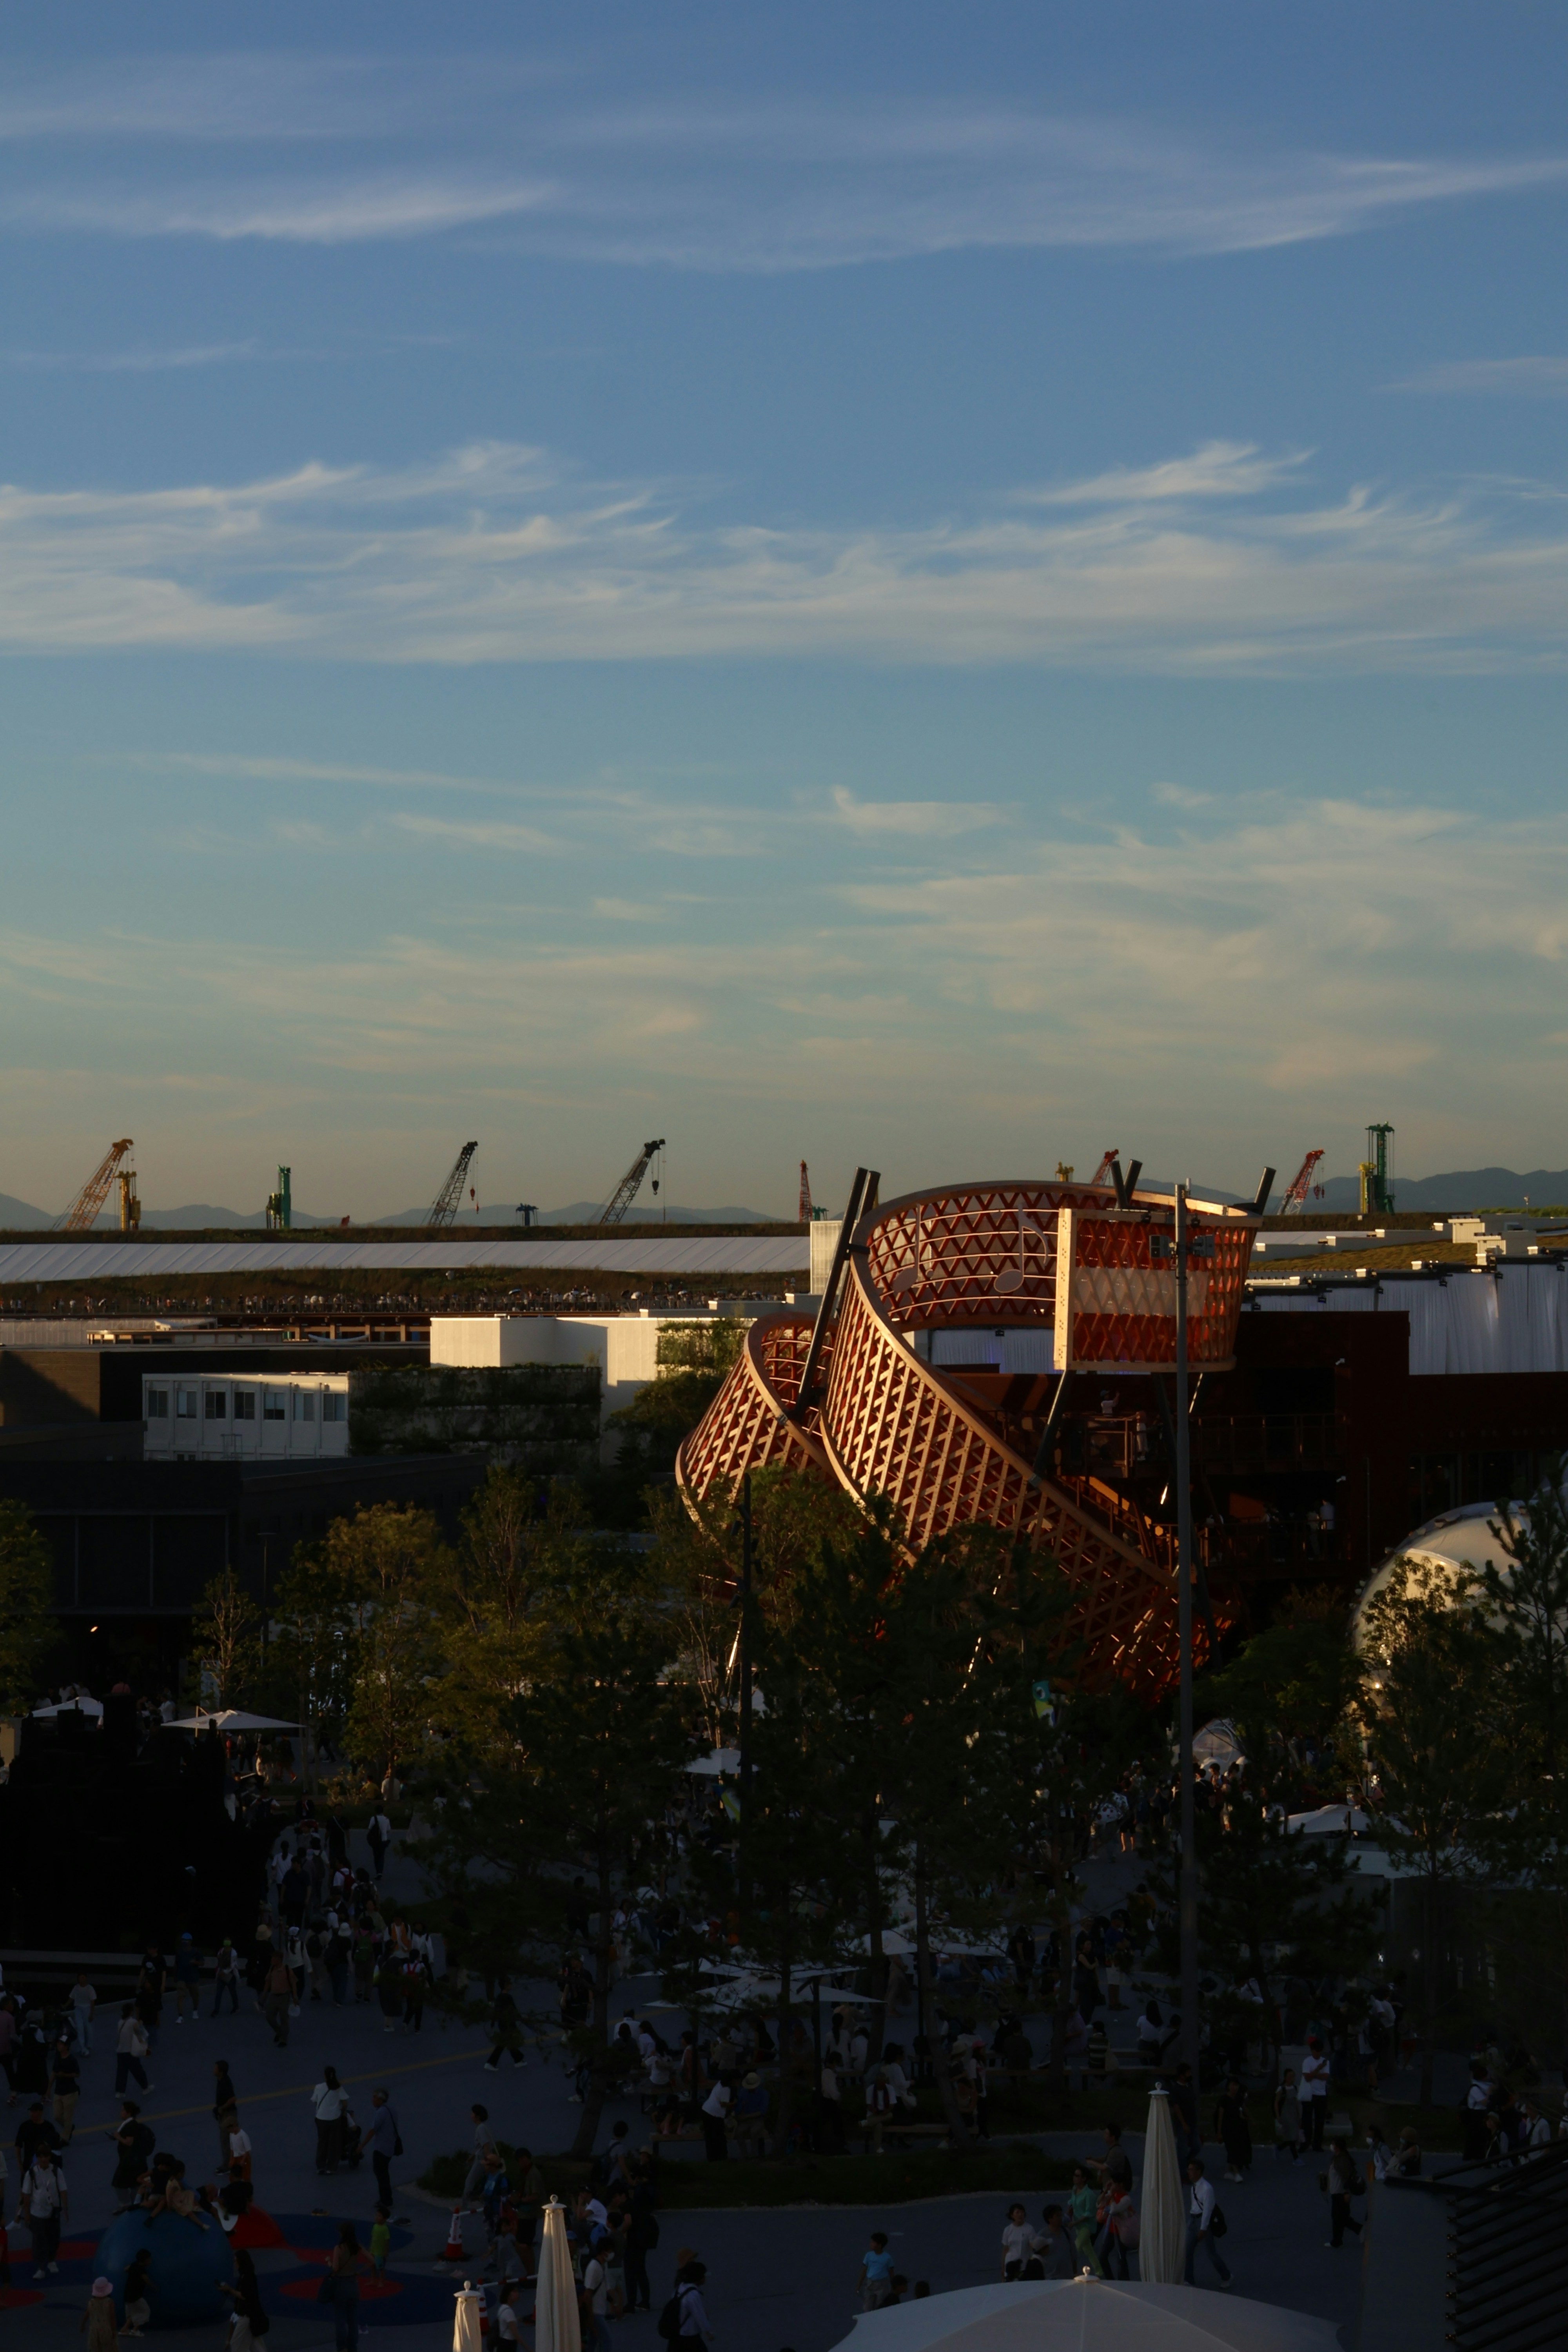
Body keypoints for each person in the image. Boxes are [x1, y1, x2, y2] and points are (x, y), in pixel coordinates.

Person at [20, 2142, 68, 2275]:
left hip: (54, 2211)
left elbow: (63, 2190)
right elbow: (27, 2194)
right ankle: (41, 2267)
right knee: (39, 2241)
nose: (43, 2159)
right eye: (40, 2157)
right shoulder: (31, 2174)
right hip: (37, 2213)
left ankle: (52, 2261)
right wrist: (27, 2214)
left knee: (54, 2238)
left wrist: (65, 2208)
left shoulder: (56, 2172)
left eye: (46, 2156)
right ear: (38, 2157)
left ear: (50, 2157)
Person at [1183, 2157, 1231, 2288]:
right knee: (1187, 2251)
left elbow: (1207, 2211)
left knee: (1211, 2254)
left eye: (1192, 2170)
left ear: (1199, 2172)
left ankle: (1226, 2275)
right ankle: (1189, 2279)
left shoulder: (1207, 2189)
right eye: (1189, 2169)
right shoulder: (1194, 2187)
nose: (1189, 2172)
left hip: (1202, 2222)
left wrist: (1203, 2229)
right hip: (1193, 2219)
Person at [359, 2088, 398, 2212]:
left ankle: (386, 2201)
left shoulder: (381, 2113)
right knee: (383, 2174)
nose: (373, 2099)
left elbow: (373, 2131)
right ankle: (385, 2199)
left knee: (381, 2175)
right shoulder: (391, 2110)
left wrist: (362, 2146)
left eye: (375, 2097)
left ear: (381, 2099)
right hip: (389, 2147)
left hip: (381, 2148)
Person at [111, 2104, 155, 2212]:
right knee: (136, 2183)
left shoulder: (130, 2125)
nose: (121, 2113)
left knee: (119, 2183)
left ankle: (126, 2205)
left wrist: (118, 2137)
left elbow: (129, 2142)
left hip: (130, 2161)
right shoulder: (132, 2124)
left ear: (129, 2113)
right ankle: (137, 2204)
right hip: (137, 2161)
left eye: (123, 2111)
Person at [328, 2221, 361, 2352]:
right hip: (353, 2284)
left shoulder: (339, 2248)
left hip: (341, 2284)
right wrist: (359, 2271)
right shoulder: (356, 2247)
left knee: (340, 2319)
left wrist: (329, 2263)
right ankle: (353, 2347)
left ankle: (342, 2348)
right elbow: (371, 2260)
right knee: (353, 2319)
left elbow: (335, 2269)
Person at [1325, 2136, 1364, 2248]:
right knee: (1342, 2218)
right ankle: (1358, 2232)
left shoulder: (1342, 2160)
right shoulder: (1338, 2158)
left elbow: (1347, 2177)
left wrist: (1347, 2193)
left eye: (1333, 2144)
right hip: (1337, 2193)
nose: (1331, 2146)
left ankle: (1338, 2241)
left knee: (1339, 2218)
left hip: (1340, 2194)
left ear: (1337, 2147)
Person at [1067, 2165, 1102, 2276]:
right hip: (1078, 2225)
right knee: (1089, 2250)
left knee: (1076, 2247)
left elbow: (1088, 2214)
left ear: (1084, 2179)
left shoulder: (1089, 2195)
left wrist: (1074, 2223)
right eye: (1075, 2175)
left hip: (1087, 2226)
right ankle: (1099, 2271)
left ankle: (1068, 2271)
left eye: (1077, 2176)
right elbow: (1072, 2203)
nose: (1075, 2178)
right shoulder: (1075, 2190)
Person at [1215, 2077, 1252, 2181]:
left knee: (1237, 2148)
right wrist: (1219, 2132)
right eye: (1233, 2085)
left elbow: (1244, 2110)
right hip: (1227, 2128)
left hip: (1238, 2127)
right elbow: (1220, 2117)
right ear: (1228, 2086)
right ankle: (1236, 2173)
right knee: (1232, 2149)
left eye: (1236, 2085)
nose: (1235, 2088)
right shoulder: (1224, 2100)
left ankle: (1228, 2171)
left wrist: (1251, 2119)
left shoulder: (1239, 2099)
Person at [313, 2069, 348, 2174]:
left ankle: (321, 2166)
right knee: (334, 2143)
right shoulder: (338, 2088)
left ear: (325, 2076)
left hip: (321, 2119)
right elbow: (345, 2103)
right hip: (335, 2119)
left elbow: (315, 2101)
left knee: (322, 2142)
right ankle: (331, 2167)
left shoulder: (319, 2087)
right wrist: (342, 2112)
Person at [114, 2006, 152, 2097]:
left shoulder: (120, 2022)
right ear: (131, 2012)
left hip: (121, 2052)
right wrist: (141, 2024)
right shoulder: (133, 2022)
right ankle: (145, 2088)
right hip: (130, 2052)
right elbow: (140, 2033)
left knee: (122, 2073)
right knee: (138, 2071)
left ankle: (120, 2092)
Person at [1301, 2037, 1330, 2152]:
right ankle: (1305, 2143)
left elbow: (1326, 2077)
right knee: (1306, 2121)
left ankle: (1317, 2144)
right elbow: (1307, 2078)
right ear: (1312, 2051)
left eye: (1320, 2051)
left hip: (1321, 2094)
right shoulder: (1307, 2062)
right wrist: (1318, 2070)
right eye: (1316, 2051)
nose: (1318, 2054)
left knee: (1320, 2121)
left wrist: (1314, 2075)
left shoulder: (1326, 2062)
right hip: (1309, 2094)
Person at [261, 1951, 296, 2049]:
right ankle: (280, 2032)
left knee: (284, 2019)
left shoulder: (287, 1970)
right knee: (269, 2017)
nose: (272, 1960)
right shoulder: (272, 1969)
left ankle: (284, 2040)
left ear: (280, 1959)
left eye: (274, 1958)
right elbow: (268, 1982)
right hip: (274, 1996)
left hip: (284, 1997)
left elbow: (294, 1983)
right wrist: (264, 1995)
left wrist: (295, 1996)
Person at [485, 1987, 526, 2071]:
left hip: (501, 2023)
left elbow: (496, 2011)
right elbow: (514, 2010)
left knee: (506, 2041)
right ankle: (491, 2063)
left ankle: (518, 2059)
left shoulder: (499, 1997)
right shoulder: (508, 1997)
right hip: (508, 2023)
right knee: (505, 2043)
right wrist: (521, 2019)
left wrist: (493, 2022)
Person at [50, 2039, 81, 2144]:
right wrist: (48, 2089)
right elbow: (54, 2073)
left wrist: (65, 2075)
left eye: (61, 2044)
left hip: (70, 2092)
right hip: (59, 2091)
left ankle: (65, 2138)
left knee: (68, 2117)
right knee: (57, 2115)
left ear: (67, 2046)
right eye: (58, 2044)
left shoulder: (72, 2060)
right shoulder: (58, 2058)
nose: (59, 2046)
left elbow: (77, 2074)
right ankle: (69, 2128)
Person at [859, 2230, 897, 2310]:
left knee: (880, 2306)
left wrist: (894, 2287)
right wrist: (859, 2285)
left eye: (873, 2242)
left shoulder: (887, 2258)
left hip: (882, 2285)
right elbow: (864, 2270)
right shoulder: (869, 2255)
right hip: (870, 2283)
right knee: (867, 2306)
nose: (871, 2244)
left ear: (879, 2245)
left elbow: (891, 2273)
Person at [1038, 2204, 1077, 2280]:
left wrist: (1075, 2273)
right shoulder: (1042, 2235)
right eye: (1057, 2216)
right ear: (1050, 2219)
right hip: (1050, 2278)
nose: (1061, 2218)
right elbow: (1038, 2258)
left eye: (1061, 2215)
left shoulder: (1067, 2233)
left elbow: (1073, 2255)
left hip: (1068, 2277)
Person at [699, 2072, 732, 2162]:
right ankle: (722, 2157)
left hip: (707, 2110)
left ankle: (712, 2157)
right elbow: (723, 2104)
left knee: (710, 2136)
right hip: (715, 2114)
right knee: (719, 2136)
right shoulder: (726, 2089)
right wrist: (733, 2104)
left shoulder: (720, 2084)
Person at [82, 2272, 119, 2352]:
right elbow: (112, 2317)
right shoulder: (109, 2302)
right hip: (106, 2329)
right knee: (108, 2348)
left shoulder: (91, 2302)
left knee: (95, 2348)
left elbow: (87, 2314)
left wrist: (83, 2324)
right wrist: (114, 2330)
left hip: (94, 2330)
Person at [171, 1936, 202, 2024]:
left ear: (191, 1941)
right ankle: (180, 2016)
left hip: (193, 1978)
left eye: (187, 1940)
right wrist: (175, 1976)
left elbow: (202, 1962)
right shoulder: (179, 1952)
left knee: (195, 1996)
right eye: (183, 1940)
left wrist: (195, 1962)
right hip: (181, 1977)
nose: (185, 1942)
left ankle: (195, 2010)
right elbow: (176, 1964)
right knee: (180, 1996)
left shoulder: (196, 1951)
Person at [1274, 2069, 1302, 2162]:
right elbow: (1276, 2103)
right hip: (1286, 2115)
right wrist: (1278, 2116)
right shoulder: (1281, 2089)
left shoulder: (1295, 2088)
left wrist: (1299, 2116)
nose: (1291, 2078)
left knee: (1291, 2137)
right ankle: (1296, 2158)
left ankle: (1279, 2148)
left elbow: (1297, 2103)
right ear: (1285, 2077)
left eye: (1293, 2076)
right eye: (1289, 2076)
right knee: (1291, 2137)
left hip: (1294, 2115)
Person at [70, 1974, 98, 2058]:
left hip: (87, 2009)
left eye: (84, 1977)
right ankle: (82, 2047)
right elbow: (72, 1997)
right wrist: (65, 2005)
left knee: (88, 2028)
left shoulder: (90, 1988)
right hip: (78, 2009)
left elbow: (93, 2002)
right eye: (81, 1978)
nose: (83, 1979)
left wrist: (91, 2014)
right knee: (80, 2027)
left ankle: (88, 2045)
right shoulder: (76, 1988)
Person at [211, 1942, 240, 2018]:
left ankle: (236, 2008)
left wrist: (224, 1972)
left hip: (230, 1975)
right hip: (221, 1975)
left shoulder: (234, 1952)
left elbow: (233, 1965)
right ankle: (216, 2011)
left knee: (233, 1992)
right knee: (219, 1994)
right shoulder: (221, 1951)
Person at [366, 1811, 392, 1881]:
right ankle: (380, 1872)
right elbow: (388, 1830)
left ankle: (378, 1871)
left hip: (375, 1841)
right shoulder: (387, 1819)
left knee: (376, 1856)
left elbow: (370, 1829)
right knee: (381, 1856)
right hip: (384, 1840)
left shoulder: (374, 1819)